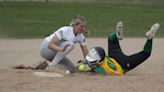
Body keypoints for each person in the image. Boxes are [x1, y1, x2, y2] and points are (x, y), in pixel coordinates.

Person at [82, 22, 160, 75]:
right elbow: (94, 64)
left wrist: (79, 70)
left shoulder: (100, 70)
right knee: (111, 39)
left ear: (99, 62)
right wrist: (87, 62)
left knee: (145, 54)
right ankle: (116, 35)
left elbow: (90, 71)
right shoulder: (101, 60)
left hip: (124, 64)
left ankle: (150, 38)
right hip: (114, 57)